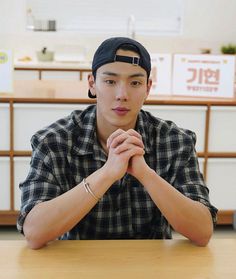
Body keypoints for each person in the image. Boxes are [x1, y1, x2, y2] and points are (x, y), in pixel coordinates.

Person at [17, 37, 217, 249]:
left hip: (152, 264)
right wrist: (107, 173)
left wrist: (145, 174)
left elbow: (202, 232)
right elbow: (34, 233)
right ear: (92, 84)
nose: (122, 95)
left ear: (148, 88)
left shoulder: (175, 140)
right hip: (76, 263)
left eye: (135, 83)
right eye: (110, 81)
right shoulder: (54, 141)